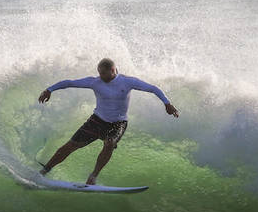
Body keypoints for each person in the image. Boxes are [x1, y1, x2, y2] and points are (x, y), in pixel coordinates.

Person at [37, 58, 179, 185]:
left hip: (118, 123)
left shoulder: (127, 81)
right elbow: (69, 83)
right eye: (99, 73)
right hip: (97, 120)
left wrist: (167, 103)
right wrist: (49, 90)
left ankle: (93, 176)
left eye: (103, 73)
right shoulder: (95, 82)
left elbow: (153, 88)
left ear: (113, 70)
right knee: (70, 145)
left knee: (109, 143)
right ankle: (44, 170)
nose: (101, 76)